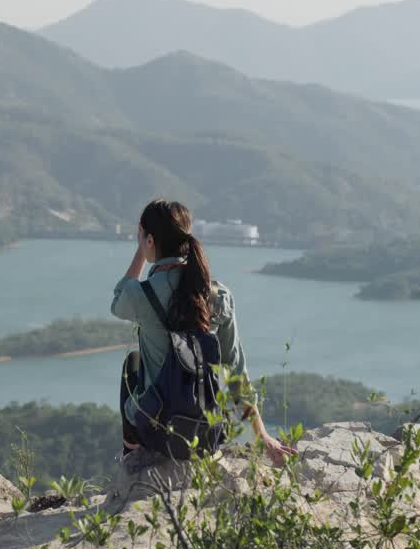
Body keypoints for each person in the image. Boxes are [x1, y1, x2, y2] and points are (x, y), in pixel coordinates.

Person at [111, 199, 296, 468]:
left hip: (157, 432)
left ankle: (131, 450)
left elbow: (119, 298)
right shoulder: (219, 295)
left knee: (133, 363)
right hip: (206, 433)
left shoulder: (142, 296)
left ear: (149, 239)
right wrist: (261, 434)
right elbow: (235, 370)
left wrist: (140, 251)